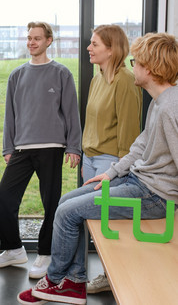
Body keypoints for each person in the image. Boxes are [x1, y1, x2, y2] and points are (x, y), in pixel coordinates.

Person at [17, 32, 178, 305]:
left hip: (154, 196)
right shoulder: (160, 102)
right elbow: (139, 147)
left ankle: (58, 281)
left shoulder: (171, 107)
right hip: (139, 182)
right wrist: (112, 173)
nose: (132, 66)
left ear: (148, 69)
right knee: (67, 200)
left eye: (135, 62)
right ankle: (75, 280)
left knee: (68, 212)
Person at [0, 21, 82, 279]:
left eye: (37, 38)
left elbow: (71, 113)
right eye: (29, 38)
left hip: (52, 147)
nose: (32, 42)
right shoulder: (16, 75)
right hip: (22, 148)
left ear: (48, 41)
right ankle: (13, 249)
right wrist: (8, 146)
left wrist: (74, 146)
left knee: (50, 202)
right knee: (4, 196)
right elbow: (11, 114)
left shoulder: (62, 73)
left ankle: (45, 253)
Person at [82, 25, 142, 293]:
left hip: (111, 162)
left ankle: (111, 276)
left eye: (94, 44)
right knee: (87, 219)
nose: (89, 48)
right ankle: (78, 275)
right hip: (89, 159)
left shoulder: (125, 80)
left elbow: (130, 134)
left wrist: (118, 171)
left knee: (109, 223)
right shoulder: (97, 80)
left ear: (111, 49)